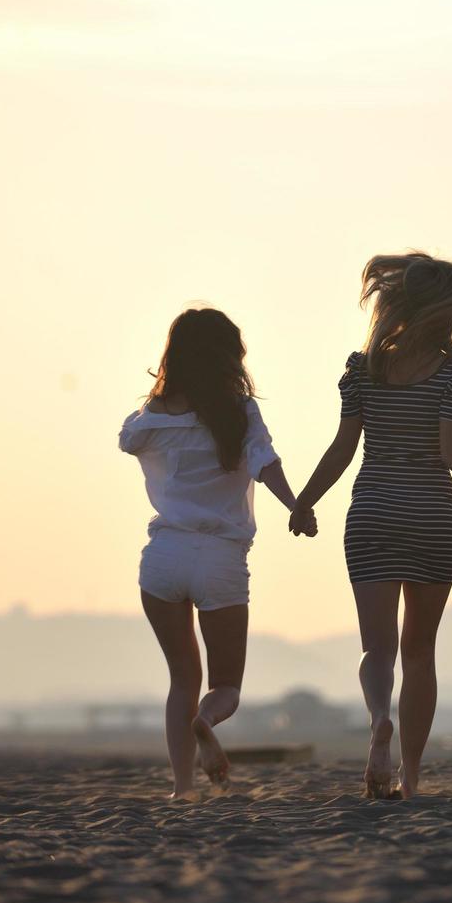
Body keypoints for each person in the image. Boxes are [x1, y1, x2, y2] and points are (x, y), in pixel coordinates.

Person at [292, 253, 452, 799]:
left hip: (373, 513)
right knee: (420, 652)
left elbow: (343, 448)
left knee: (376, 649)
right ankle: (409, 777)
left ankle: (379, 720)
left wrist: (304, 502)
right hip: (431, 516)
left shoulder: (363, 369)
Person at [119, 308, 309, 800]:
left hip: (164, 557)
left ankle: (182, 788)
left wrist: (162, 405)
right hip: (220, 558)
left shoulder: (154, 416)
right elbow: (265, 461)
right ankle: (207, 721)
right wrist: (296, 506)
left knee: (182, 677)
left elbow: (127, 439)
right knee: (224, 686)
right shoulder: (239, 411)